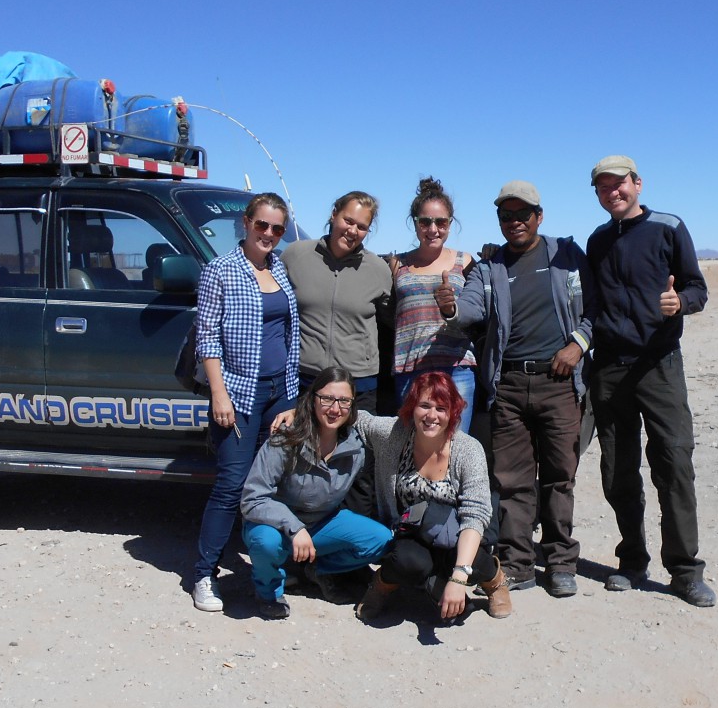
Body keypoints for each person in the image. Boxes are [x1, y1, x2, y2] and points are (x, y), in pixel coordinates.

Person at [436, 180, 593, 598]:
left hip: (559, 382)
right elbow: (471, 307)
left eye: (523, 214)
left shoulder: (567, 256)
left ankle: (561, 562)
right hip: (508, 385)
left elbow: (596, 309)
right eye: (506, 215)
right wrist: (451, 308)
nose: (515, 222)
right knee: (513, 479)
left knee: (560, 477)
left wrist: (577, 344)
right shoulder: (490, 267)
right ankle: (519, 563)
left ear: (539, 217)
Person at [586, 155, 715, 608]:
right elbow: (591, 302)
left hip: (659, 364)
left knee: (673, 463)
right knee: (618, 468)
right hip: (610, 367)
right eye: (603, 188)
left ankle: (684, 571)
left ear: (637, 184)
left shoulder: (667, 226)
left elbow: (698, 287)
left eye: (618, 184)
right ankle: (632, 560)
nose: (612, 193)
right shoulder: (598, 240)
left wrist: (680, 302)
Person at [191, 192, 301, 612]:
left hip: (279, 391)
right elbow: (208, 337)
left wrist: (290, 397)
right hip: (238, 391)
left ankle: (265, 574)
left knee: (271, 485)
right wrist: (219, 393)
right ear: (246, 223)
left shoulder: (280, 270)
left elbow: (289, 335)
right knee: (231, 484)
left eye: (277, 228)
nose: (269, 234)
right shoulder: (220, 270)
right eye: (263, 225)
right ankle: (204, 573)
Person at [349, 371, 510, 622]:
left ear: (453, 412)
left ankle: (494, 582)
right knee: (407, 562)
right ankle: (381, 584)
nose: (431, 416)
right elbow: (356, 418)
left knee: (475, 561)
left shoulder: (468, 449)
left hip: (456, 534)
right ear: (412, 407)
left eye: (441, 408)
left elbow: (475, 515)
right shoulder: (393, 434)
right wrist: (299, 411)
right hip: (411, 533)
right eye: (424, 405)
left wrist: (458, 577)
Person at [240, 368, 393, 618]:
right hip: (275, 524)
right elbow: (253, 498)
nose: (335, 408)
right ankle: (269, 591)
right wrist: (295, 527)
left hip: (321, 523)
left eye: (344, 401)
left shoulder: (357, 446)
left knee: (381, 539)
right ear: (313, 399)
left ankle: (316, 569)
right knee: (265, 543)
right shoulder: (286, 437)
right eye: (327, 399)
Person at [280, 191, 392, 413]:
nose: (352, 231)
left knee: (355, 448)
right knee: (304, 446)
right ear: (333, 215)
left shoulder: (379, 270)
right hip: (304, 379)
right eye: (348, 221)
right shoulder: (295, 256)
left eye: (361, 227)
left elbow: (390, 319)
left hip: (358, 383)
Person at [391, 177, 477, 430]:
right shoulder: (397, 264)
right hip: (410, 368)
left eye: (441, 222)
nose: (433, 229)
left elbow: (478, 310)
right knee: (413, 446)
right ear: (415, 224)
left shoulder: (466, 262)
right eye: (425, 221)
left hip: (457, 368)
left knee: (457, 447)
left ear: (450, 224)